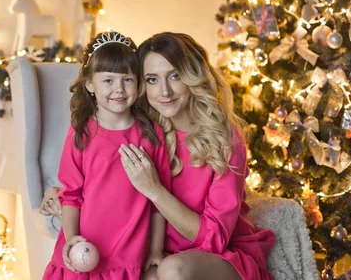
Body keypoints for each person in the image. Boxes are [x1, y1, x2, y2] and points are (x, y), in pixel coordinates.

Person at [42, 32, 276, 280]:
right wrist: (58, 193)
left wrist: (154, 190)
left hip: (216, 258)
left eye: (175, 76)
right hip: (157, 255)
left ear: (192, 76)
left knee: (171, 271)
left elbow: (215, 239)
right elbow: (102, 175)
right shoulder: (146, 128)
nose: (164, 91)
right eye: (152, 79)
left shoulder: (225, 139)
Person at [42, 31, 172, 279]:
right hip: (85, 251)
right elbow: (71, 196)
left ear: (138, 83)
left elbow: (159, 202)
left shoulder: (151, 135)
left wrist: (155, 250)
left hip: (128, 254)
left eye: (127, 80)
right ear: (90, 84)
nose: (119, 89)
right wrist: (72, 240)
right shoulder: (80, 134)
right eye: (108, 80)